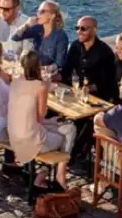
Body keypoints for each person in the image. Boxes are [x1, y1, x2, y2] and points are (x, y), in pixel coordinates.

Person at [9, 51, 76, 190]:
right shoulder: (40, 87)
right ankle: (60, 175)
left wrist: (51, 121)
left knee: (63, 129)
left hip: (15, 136)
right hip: (31, 140)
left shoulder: (15, 82)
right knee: (69, 132)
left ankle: (43, 175)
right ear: (38, 66)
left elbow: (37, 118)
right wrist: (46, 86)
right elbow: (41, 116)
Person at [63, 16, 119, 102]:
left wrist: (87, 89)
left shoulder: (105, 52)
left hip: (98, 96)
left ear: (94, 29)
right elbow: (66, 70)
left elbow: (106, 82)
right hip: (78, 91)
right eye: (77, 28)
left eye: (83, 29)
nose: (79, 32)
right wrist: (54, 76)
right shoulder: (75, 46)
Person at [12, 0, 70, 72]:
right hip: (32, 70)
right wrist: (26, 25)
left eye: (42, 11)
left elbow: (59, 63)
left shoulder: (61, 36)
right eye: (38, 11)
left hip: (48, 74)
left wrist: (43, 69)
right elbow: (15, 37)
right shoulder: (38, 28)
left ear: (52, 15)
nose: (38, 14)